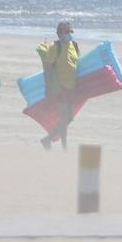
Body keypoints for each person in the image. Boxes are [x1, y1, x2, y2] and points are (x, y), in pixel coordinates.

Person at [37, 21, 80, 150]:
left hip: (72, 87)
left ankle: (47, 139)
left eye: (70, 32)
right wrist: (48, 88)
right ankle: (64, 147)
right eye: (67, 32)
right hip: (60, 88)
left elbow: (78, 64)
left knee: (69, 118)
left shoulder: (75, 45)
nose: (69, 34)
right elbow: (48, 69)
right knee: (63, 118)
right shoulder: (55, 47)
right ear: (60, 33)